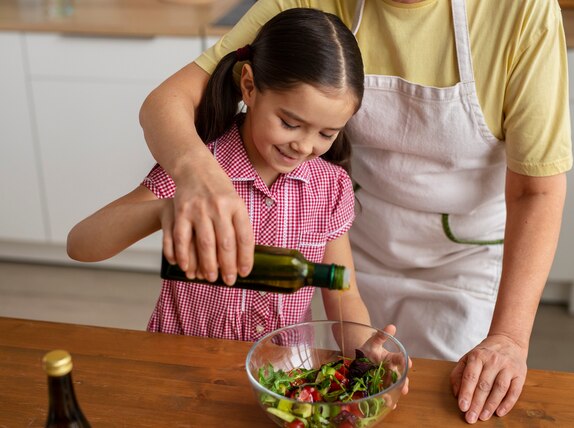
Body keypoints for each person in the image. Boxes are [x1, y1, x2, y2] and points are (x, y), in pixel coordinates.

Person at [138, 0, 571, 424]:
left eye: (326, 132)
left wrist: (508, 338)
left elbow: (536, 191)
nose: (306, 142)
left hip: (460, 268)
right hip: (353, 249)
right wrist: (200, 179)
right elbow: (167, 102)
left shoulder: (522, 11)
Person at [67, 8, 376, 344]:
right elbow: (81, 245)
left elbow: (344, 296)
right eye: (289, 124)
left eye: (326, 134)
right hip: (183, 361)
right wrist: (164, 210)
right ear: (249, 87)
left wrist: (367, 355)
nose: (304, 146)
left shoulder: (330, 188)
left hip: (281, 374)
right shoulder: (200, 170)